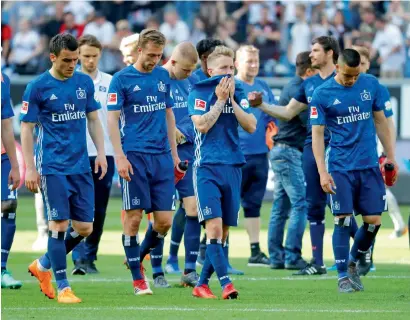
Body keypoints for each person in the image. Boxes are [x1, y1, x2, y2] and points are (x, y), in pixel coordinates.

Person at [249, 36, 346, 275]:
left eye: (315, 50)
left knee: (346, 207)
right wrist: (262, 106)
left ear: (330, 53)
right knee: (312, 206)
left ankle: (356, 257)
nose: (311, 55)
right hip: (312, 151)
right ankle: (317, 262)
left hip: (342, 151)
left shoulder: (345, 77)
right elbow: (287, 112)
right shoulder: (309, 85)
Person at [23, 33, 107, 304]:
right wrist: (31, 168)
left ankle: (44, 264)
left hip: (81, 165)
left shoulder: (83, 82)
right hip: (52, 166)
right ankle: (63, 287)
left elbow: (93, 119)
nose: (73, 65)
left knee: (84, 228)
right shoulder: (37, 87)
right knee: (58, 225)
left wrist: (102, 154)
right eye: (68, 60)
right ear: (53, 58)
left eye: (76, 60)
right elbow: (27, 129)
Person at [310, 48, 397, 293]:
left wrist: (391, 156)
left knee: (374, 221)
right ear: (337, 66)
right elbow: (317, 136)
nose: (352, 80)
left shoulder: (371, 84)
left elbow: (381, 121)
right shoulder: (322, 93)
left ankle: (352, 262)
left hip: (368, 164)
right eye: (348, 75)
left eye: (356, 75)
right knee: (342, 220)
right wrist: (322, 172)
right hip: (340, 166)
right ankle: (342, 277)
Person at [107, 29, 179, 295]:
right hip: (134, 156)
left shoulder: (162, 76)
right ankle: (138, 279)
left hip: (161, 157)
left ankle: (135, 255)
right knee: (135, 218)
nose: (155, 60)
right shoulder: (122, 79)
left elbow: (169, 115)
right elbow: (112, 119)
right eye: (150, 55)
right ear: (139, 50)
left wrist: (173, 154)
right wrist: (120, 156)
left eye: (159, 55)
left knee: (163, 222)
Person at [189, 45, 256, 299]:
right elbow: (202, 126)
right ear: (210, 70)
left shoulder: (238, 91)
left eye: (231, 67)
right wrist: (218, 101)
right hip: (206, 166)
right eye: (223, 68)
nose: (228, 72)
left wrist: (230, 100)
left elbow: (251, 125)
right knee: (214, 230)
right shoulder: (198, 91)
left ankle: (201, 285)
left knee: (223, 232)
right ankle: (226, 284)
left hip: (233, 166)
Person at [147, 42, 199, 288]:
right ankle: (157, 271)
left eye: (192, 71)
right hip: (160, 154)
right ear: (173, 61)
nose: (189, 75)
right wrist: (169, 132)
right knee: (160, 215)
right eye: (187, 70)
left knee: (193, 208)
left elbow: (194, 115)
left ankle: (189, 270)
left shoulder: (191, 83)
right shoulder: (155, 78)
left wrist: (183, 132)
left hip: (187, 153)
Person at [266, 51, 317, 271]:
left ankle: (276, 255)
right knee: (300, 203)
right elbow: (310, 123)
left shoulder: (291, 85)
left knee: (281, 206)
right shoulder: (301, 90)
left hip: (280, 151)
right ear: (309, 71)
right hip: (289, 152)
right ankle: (292, 255)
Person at [71, 35, 115, 275]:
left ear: (100, 55)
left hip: (104, 154)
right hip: (76, 155)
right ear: (78, 55)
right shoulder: (70, 82)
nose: (89, 60)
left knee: (99, 209)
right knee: (77, 208)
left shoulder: (110, 83)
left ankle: (90, 256)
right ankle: (77, 258)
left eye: (93, 56)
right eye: (85, 55)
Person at [234, 45, 275, 266]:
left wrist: (273, 134)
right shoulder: (231, 86)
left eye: (256, 60)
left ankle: (255, 251)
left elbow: (273, 118)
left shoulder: (264, 87)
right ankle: (207, 246)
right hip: (235, 156)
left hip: (260, 155)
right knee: (227, 205)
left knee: (253, 205)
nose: (254, 64)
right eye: (249, 60)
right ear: (237, 63)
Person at [1, 72, 22, 289]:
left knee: (9, 205)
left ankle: (2, 268)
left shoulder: (3, 80)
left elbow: (6, 125)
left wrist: (15, 165)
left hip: (3, 155)